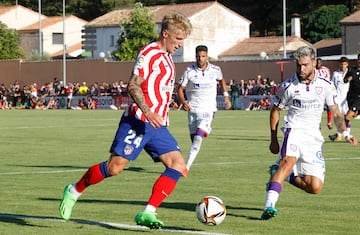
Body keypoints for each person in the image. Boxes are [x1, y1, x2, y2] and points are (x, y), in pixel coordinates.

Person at [59, 11, 192, 229]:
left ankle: (148, 212)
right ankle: (74, 190)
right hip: (138, 121)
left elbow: (158, 88)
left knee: (178, 164)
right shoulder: (148, 54)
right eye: (178, 39)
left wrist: (168, 104)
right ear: (166, 34)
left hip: (157, 126)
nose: (180, 44)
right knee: (114, 168)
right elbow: (132, 85)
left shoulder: (168, 58)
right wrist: (149, 111)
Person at [261, 46, 357, 220]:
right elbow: (275, 111)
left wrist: (346, 133)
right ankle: (269, 205)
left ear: (314, 63)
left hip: (313, 137)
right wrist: (273, 139)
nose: (301, 69)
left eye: (305, 65)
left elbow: (335, 112)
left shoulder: (325, 85)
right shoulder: (288, 86)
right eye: (298, 65)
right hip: (294, 130)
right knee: (287, 162)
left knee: (314, 187)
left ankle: (286, 176)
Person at [177, 45, 231, 177]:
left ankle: (186, 167)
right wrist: (183, 102)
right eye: (198, 56)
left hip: (208, 109)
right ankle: (204, 131)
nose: (200, 59)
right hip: (193, 109)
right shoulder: (189, 71)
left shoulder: (215, 70)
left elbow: (221, 80)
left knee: (198, 138)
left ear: (207, 56)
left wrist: (226, 95)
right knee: (194, 138)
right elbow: (180, 89)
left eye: (203, 56)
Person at [329, 57, 351, 141]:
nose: (343, 66)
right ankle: (342, 134)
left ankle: (342, 134)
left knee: (347, 117)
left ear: (347, 64)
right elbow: (333, 86)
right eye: (341, 64)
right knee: (339, 117)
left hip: (347, 99)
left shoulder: (350, 73)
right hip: (338, 99)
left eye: (344, 64)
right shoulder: (335, 74)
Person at [343, 53, 360, 129]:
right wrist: (348, 79)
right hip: (352, 97)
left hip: (358, 99)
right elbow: (345, 80)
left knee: (347, 117)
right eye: (359, 59)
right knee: (352, 115)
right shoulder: (352, 70)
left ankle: (341, 134)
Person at [316, 58, 332, 129]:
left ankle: (329, 122)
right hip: (316, 91)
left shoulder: (325, 70)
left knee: (329, 106)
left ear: (321, 63)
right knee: (318, 107)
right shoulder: (313, 70)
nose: (317, 64)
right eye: (317, 63)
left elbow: (328, 79)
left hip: (325, 90)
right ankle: (318, 123)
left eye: (319, 63)